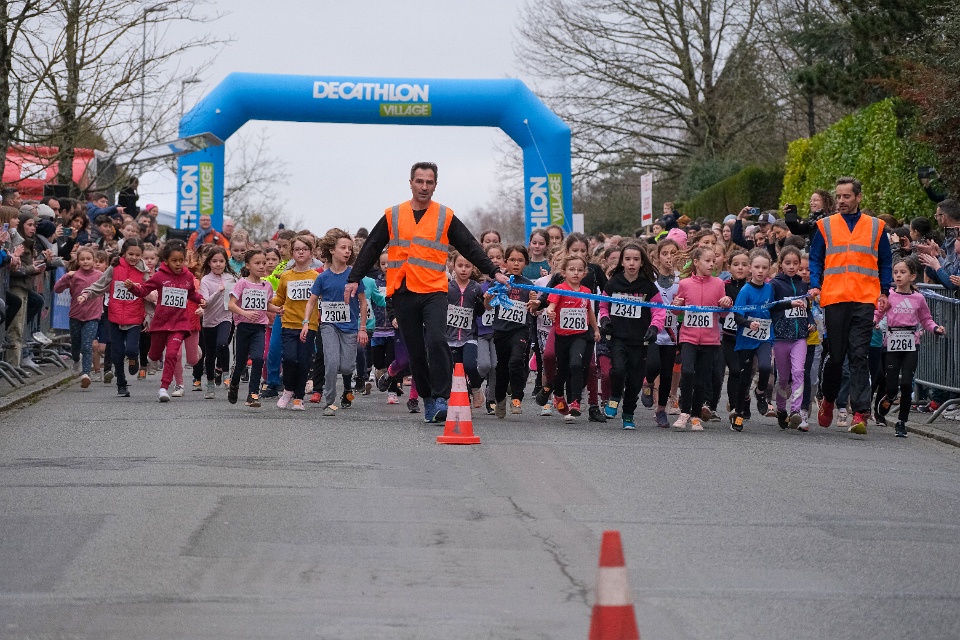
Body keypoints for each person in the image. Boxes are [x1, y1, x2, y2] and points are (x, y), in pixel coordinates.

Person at [346, 162, 508, 424]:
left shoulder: (444, 215)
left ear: (435, 185)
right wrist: (354, 278)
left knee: (436, 340)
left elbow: (469, 245)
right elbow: (372, 246)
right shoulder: (394, 214)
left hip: (434, 290)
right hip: (403, 291)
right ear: (410, 183)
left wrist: (493, 271)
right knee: (416, 350)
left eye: (429, 182)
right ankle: (429, 401)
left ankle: (442, 397)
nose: (424, 187)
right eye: (419, 181)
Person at [808, 177, 893, 435]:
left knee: (859, 355)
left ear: (858, 197)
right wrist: (815, 284)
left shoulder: (876, 227)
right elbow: (815, 258)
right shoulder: (825, 225)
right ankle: (829, 399)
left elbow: (885, 261)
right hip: (834, 298)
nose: (841, 201)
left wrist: (884, 291)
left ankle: (859, 412)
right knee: (836, 357)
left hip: (865, 299)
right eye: (838, 196)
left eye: (846, 196)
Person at [124, 239, 206, 402]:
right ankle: (152, 357)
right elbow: (144, 290)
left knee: (172, 354)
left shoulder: (187, 276)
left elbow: (191, 294)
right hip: (161, 323)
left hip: (180, 323)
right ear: (166, 261)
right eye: (174, 261)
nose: (178, 264)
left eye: (181, 260)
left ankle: (164, 387)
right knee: (155, 355)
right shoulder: (159, 276)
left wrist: (201, 299)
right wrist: (132, 287)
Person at [874, 257, 945, 437]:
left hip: (911, 344)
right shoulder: (889, 295)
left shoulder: (918, 298)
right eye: (895, 272)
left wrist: (935, 328)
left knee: (906, 384)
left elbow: (926, 319)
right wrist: (872, 322)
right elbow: (878, 313)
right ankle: (890, 397)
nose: (898, 276)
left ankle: (901, 422)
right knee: (891, 387)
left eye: (902, 272)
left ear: (912, 276)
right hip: (892, 344)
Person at [302, 229, 368, 416]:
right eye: (343, 247)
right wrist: (306, 322)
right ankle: (329, 402)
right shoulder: (322, 277)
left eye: (349, 248)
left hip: (350, 327)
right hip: (328, 326)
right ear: (332, 250)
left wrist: (362, 328)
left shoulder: (354, 276)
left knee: (346, 367)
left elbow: (363, 303)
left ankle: (345, 387)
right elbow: (311, 301)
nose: (347, 251)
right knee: (331, 363)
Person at [598, 243, 664, 429]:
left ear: (642, 262)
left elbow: (659, 310)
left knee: (635, 380)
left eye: (636, 259)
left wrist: (654, 328)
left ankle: (628, 414)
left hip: (640, 340)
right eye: (627, 259)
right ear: (622, 262)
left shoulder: (648, 287)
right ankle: (614, 397)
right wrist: (605, 320)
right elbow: (603, 305)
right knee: (618, 370)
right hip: (618, 337)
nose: (632, 263)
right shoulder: (613, 283)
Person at [671, 246, 733, 430]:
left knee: (701, 379)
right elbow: (677, 312)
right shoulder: (685, 284)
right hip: (688, 337)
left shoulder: (719, 284)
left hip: (710, 340)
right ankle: (684, 412)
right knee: (688, 372)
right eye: (707, 261)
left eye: (713, 261)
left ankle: (696, 415)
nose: (711, 264)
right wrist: (676, 305)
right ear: (696, 262)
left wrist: (726, 304)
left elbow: (723, 315)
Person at [77, 239, 148, 397]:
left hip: (135, 316)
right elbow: (101, 283)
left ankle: (133, 358)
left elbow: (149, 291)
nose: (133, 257)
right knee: (117, 353)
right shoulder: (115, 267)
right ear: (124, 253)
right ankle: (121, 384)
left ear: (141, 255)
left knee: (131, 349)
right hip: (114, 316)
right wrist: (86, 293)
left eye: (137, 255)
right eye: (130, 254)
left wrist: (151, 313)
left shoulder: (144, 271)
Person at [544, 254, 600, 423]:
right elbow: (551, 306)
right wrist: (550, 311)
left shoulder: (586, 292)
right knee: (562, 369)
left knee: (576, 364)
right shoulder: (559, 289)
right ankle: (558, 394)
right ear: (564, 272)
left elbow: (589, 311)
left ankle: (575, 401)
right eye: (572, 269)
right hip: (562, 337)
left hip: (580, 336)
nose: (576, 273)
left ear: (584, 273)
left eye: (579, 270)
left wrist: (596, 329)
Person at [485, 245, 537, 418]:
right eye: (512, 260)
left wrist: (534, 303)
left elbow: (533, 310)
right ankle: (500, 399)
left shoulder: (528, 285)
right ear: (505, 262)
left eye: (520, 260)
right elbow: (488, 307)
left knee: (516, 362)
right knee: (502, 367)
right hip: (501, 330)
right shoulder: (498, 281)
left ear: (526, 263)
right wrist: (488, 299)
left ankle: (516, 397)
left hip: (520, 330)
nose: (516, 263)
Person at [227, 249, 283, 407]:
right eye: (257, 263)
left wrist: (277, 309)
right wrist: (245, 313)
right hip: (243, 327)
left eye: (263, 263)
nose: (262, 266)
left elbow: (265, 304)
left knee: (259, 358)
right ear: (248, 265)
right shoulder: (242, 283)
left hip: (259, 327)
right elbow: (231, 305)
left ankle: (253, 394)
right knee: (241, 363)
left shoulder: (267, 285)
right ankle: (234, 384)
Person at [271, 234, 319, 411]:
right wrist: (267, 301)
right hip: (289, 323)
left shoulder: (316, 276)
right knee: (290, 359)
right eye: (297, 249)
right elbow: (280, 299)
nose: (301, 252)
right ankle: (287, 390)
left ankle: (299, 397)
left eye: (305, 249)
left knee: (304, 361)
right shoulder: (286, 276)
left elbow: (321, 299)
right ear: (292, 253)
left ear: (311, 253)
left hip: (309, 325)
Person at [769, 246, 811, 430]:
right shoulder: (775, 284)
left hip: (799, 337)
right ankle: (781, 409)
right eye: (788, 263)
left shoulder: (803, 285)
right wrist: (789, 303)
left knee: (799, 371)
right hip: (780, 337)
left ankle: (795, 411)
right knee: (783, 377)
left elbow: (807, 309)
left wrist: (811, 322)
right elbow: (770, 306)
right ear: (781, 264)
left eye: (795, 263)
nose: (792, 267)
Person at [53, 247, 104, 387]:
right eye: (82, 259)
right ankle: (76, 360)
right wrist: (66, 277)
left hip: (93, 316)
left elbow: (109, 288)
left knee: (87, 345)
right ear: (78, 261)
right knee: (76, 344)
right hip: (76, 315)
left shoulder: (100, 275)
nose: (85, 262)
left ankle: (86, 374)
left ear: (94, 260)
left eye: (88, 259)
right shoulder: (74, 276)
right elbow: (57, 289)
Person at [198, 247, 238, 399]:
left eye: (221, 261)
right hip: (209, 321)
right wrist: (219, 291)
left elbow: (238, 294)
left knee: (222, 344)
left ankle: (226, 375)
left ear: (226, 263)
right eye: (214, 261)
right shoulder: (205, 280)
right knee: (210, 354)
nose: (218, 264)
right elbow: (205, 303)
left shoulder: (230, 278)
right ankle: (210, 384)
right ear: (209, 263)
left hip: (225, 317)